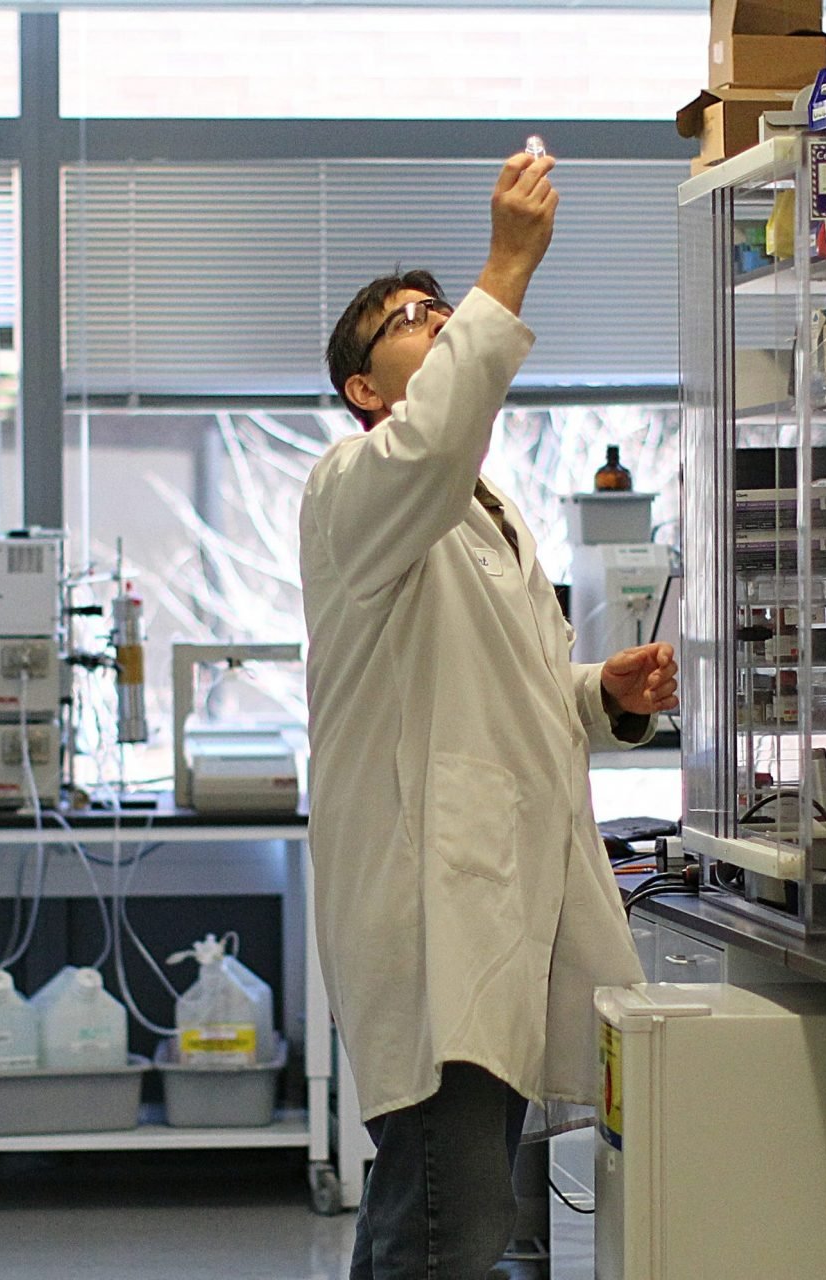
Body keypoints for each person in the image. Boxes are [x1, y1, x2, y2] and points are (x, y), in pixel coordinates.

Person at [300, 152, 677, 1280]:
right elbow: (435, 433)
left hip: (499, 905)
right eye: (410, 319)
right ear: (367, 388)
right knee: (442, 1225)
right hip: (434, 917)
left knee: (460, 1219)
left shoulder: (491, 514)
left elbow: (513, 694)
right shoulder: (355, 488)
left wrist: (599, 695)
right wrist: (506, 265)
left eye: (437, 310)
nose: (440, 322)